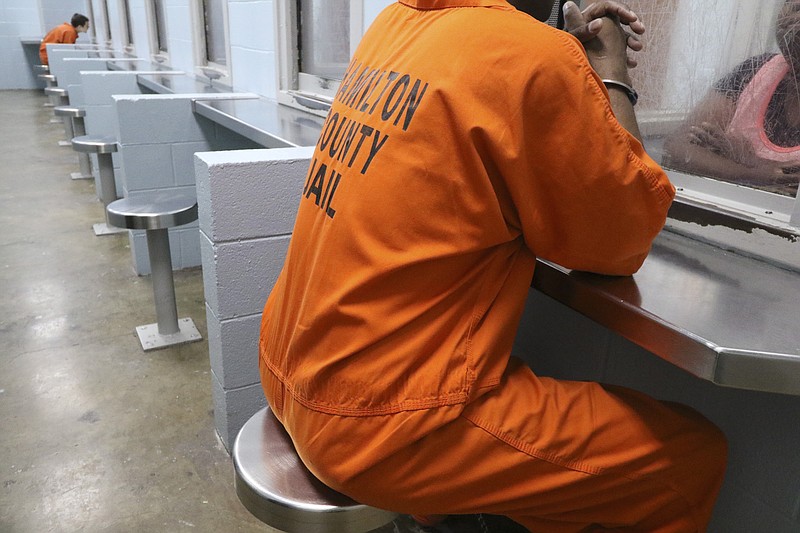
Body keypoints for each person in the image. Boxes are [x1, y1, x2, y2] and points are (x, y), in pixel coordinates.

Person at [258, 1, 727, 531]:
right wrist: (609, 75)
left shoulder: (394, 23)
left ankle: (436, 513)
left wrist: (560, 61)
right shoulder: (531, 56)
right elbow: (619, 242)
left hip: (286, 367)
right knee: (685, 460)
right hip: (377, 426)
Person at [663, 0, 800, 196]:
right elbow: (678, 147)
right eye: (788, 2)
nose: (794, 6)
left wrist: (745, 157)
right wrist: (752, 172)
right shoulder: (756, 70)